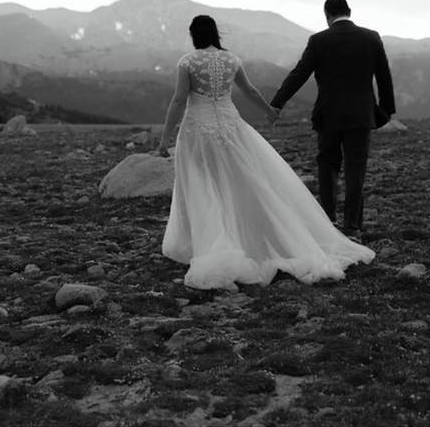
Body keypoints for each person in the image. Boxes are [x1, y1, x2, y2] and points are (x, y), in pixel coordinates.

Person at [157, 15, 374, 290]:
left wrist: (165, 137)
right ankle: (249, 235)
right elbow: (249, 90)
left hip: (197, 130)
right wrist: (269, 110)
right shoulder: (232, 60)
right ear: (215, 33)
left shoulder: (187, 62)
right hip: (230, 126)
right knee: (240, 182)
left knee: (200, 183)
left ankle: (204, 242)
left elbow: (179, 100)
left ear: (194, 35)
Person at [269, 0, 395, 236]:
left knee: (327, 166)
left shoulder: (318, 40)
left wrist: (277, 103)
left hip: (328, 114)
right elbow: (384, 77)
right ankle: (352, 226)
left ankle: (328, 222)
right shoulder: (371, 37)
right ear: (349, 10)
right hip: (361, 114)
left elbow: (299, 74)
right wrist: (385, 111)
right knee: (355, 168)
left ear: (327, 16)